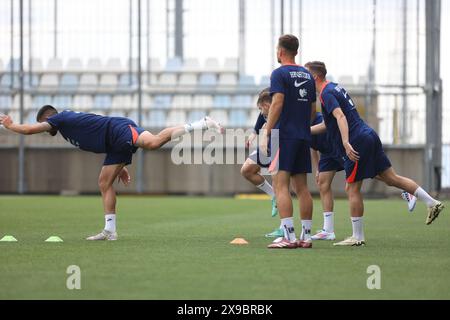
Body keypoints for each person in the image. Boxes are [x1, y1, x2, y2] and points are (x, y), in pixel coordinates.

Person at [0, 107, 223, 241]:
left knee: (153, 143)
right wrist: (121, 165)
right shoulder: (67, 129)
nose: (44, 127)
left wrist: (10, 125)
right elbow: (98, 135)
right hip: (115, 138)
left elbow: (28, 130)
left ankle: (201, 123)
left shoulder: (60, 119)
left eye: (44, 123)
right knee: (105, 182)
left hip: (119, 130)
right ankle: (109, 231)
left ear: (48, 118)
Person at [305, 61, 445, 246]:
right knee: (391, 178)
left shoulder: (326, 93)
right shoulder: (334, 88)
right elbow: (328, 124)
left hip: (357, 140)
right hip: (368, 134)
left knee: (351, 188)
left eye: (306, 75)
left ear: (315, 77)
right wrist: (305, 130)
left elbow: (340, 116)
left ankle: (357, 237)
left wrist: (346, 142)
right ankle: (432, 202)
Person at [309, 111, 417, 241]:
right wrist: (318, 168)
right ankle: (328, 230)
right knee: (322, 182)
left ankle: (405, 188)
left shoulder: (319, 118)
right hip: (327, 154)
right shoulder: (296, 124)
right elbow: (313, 148)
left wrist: (345, 144)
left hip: (340, 148)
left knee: (372, 173)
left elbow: (337, 124)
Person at [265, 34, 317, 249]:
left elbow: (277, 102)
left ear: (280, 51)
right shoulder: (307, 74)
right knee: (302, 188)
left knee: (281, 186)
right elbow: (313, 110)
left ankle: (288, 236)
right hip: (303, 135)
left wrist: (267, 130)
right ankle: (306, 237)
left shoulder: (279, 73)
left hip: (283, 135)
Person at [241, 88, 282, 238]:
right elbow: (258, 127)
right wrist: (252, 137)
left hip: (280, 144)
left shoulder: (282, 111)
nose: (260, 111)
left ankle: (285, 227)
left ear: (266, 104)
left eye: (260, 108)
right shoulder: (264, 114)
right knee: (247, 170)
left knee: (282, 184)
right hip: (268, 145)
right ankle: (273, 195)